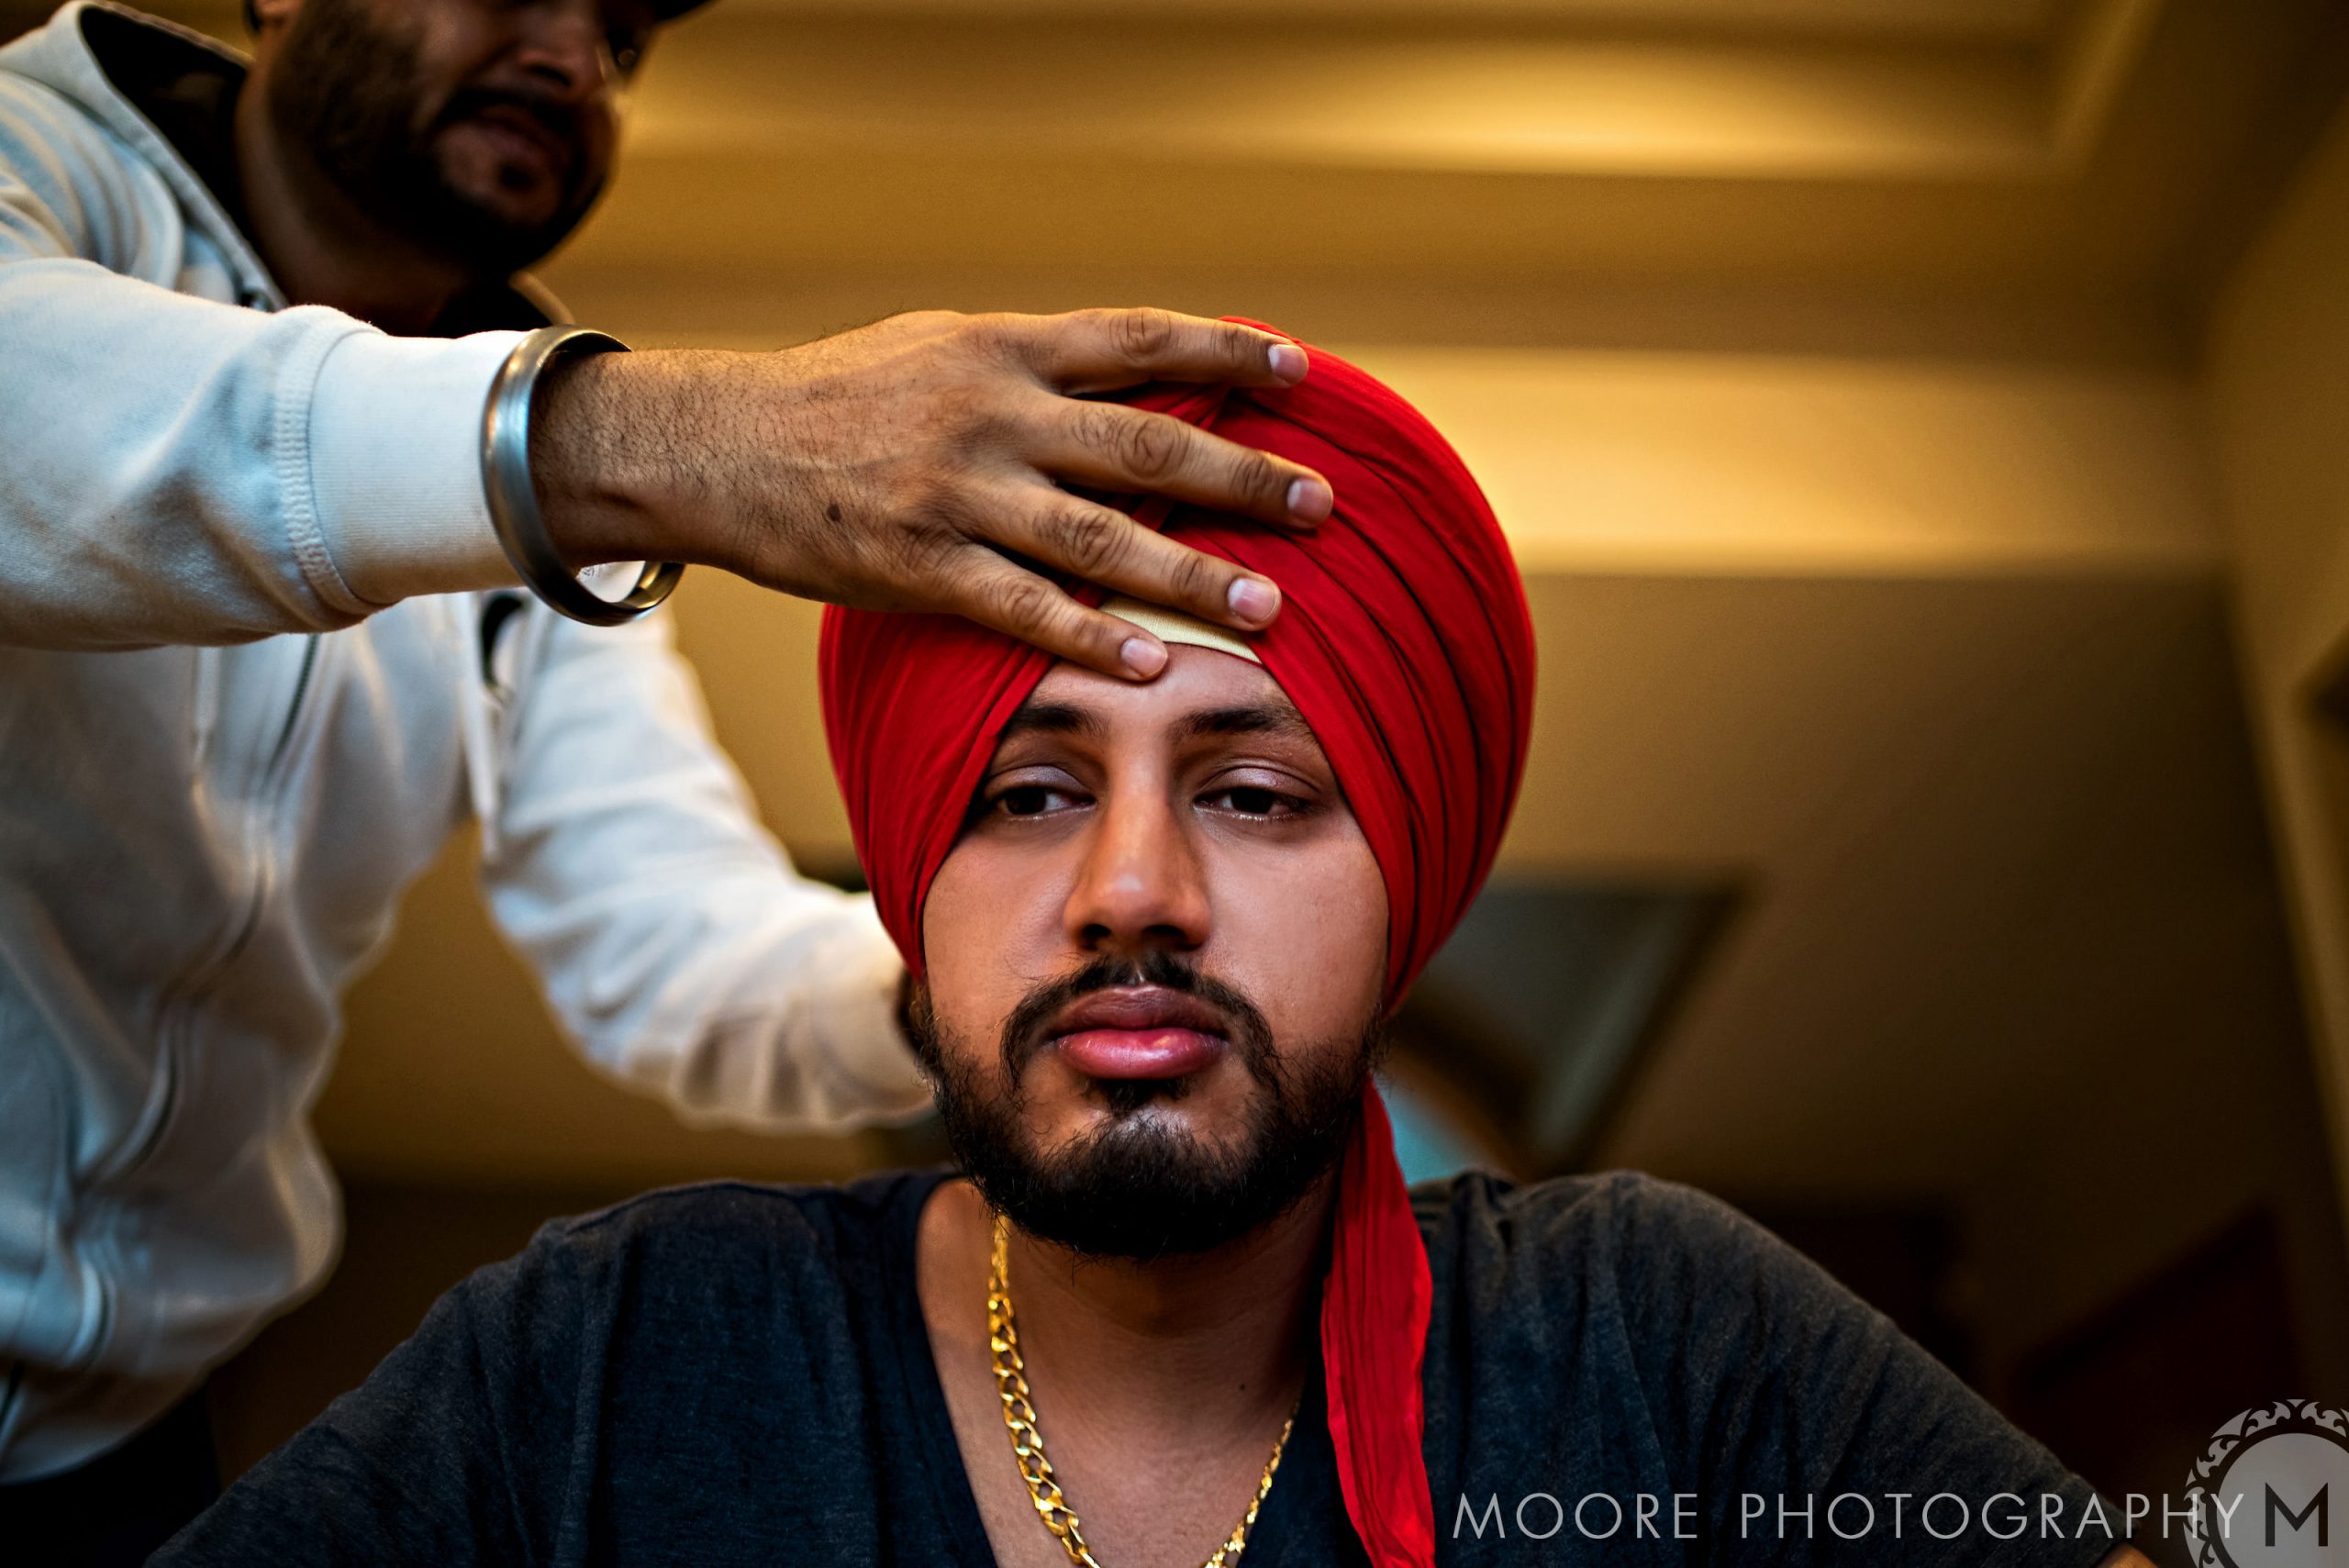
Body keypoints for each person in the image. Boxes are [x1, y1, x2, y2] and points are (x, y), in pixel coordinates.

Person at [150, 332, 2154, 1568]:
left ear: (1408, 886)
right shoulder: (618, 1358)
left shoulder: (1656, 1346)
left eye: (1256, 794)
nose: (1131, 890)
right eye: (1027, 794)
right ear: (910, 893)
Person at [0, 0, 1337, 1552]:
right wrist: (676, 440)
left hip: (124, 1437)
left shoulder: (536, 534)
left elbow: (665, 934)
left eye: (621, 35)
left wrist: (995, 971)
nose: (572, 58)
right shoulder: (38, 164)